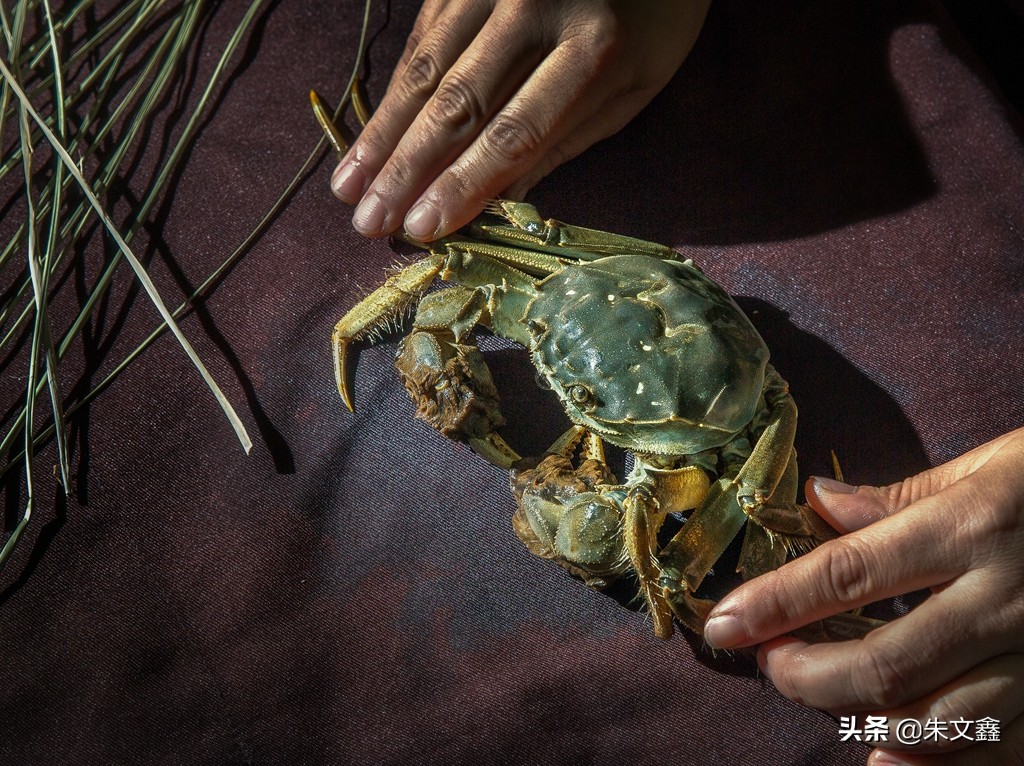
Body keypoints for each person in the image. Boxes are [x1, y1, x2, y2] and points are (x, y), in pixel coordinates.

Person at [329, 2, 1024, 763]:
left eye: (589, 408)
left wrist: (676, 585)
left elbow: (693, 558)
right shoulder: (551, 272)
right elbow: (447, 280)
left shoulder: (720, 454)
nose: (571, 403)